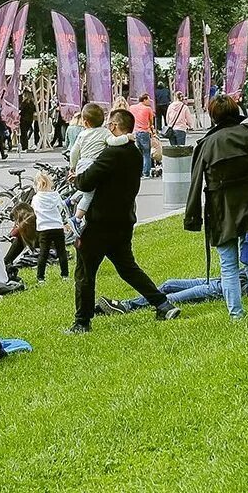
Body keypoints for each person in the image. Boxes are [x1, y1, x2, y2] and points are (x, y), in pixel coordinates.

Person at [69, 107, 180, 332]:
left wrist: (76, 179)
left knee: (85, 273)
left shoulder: (110, 154)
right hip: (124, 220)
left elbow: (87, 182)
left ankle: (82, 322)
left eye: (111, 124)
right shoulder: (135, 153)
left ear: (115, 127)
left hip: (99, 223)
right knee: (128, 268)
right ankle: (162, 303)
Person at [185, 94, 248, 319]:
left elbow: (194, 185)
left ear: (212, 115)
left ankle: (236, 313)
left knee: (228, 264)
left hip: (221, 209)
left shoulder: (206, 144)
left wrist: (192, 218)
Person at [98, 239, 248, 314]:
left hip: (227, 286)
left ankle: (127, 306)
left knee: (173, 299)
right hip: (223, 278)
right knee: (168, 284)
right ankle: (127, 305)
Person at [67, 103, 134, 234]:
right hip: (93, 163)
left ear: (85, 123)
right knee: (89, 194)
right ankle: (77, 218)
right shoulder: (105, 133)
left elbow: (74, 152)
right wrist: (127, 137)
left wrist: (72, 166)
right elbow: (114, 142)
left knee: (87, 189)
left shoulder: (82, 134)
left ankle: (71, 200)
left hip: (82, 163)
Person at [31, 172, 70, 283]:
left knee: (44, 253)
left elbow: (34, 210)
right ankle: (65, 275)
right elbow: (60, 207)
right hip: (57, 226)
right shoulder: (55, 195)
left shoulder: (36, 198)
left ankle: (41, 277)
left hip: (43, 228)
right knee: (61, 252)